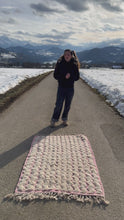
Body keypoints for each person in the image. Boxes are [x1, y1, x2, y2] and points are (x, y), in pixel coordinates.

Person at [50, 49, 80, 127]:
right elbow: (55, 75)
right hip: (61, 87)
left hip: (70, 88)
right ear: (63, 55)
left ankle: (64, 119)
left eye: (68, 55)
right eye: (65, 54)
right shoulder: (60, 63)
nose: (67, 56)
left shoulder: (74, 64)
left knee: (67, 105)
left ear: (71, 55)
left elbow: (77, 77)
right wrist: (63, 77)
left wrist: (70, 76)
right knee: (58, 104)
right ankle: (54, 120)